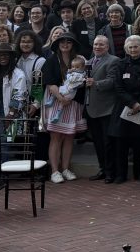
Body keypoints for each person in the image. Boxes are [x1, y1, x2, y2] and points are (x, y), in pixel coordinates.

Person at [43, 32, 87, 183]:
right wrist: (61, 98)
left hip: (73, 102)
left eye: (69, 42)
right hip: (56, 101)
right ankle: (55, 171)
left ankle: (66, 168)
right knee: (56, 137)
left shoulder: (80, 60)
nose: (65, 44)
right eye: (62, 42)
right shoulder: (51, 60)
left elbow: (84, 80)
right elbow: (49, 83)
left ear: (73, 44)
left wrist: (69, 99)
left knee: (69, 136)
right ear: (57, 44)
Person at [116, 36, 140, 183]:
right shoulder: (120, 64)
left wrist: (139, 104)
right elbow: (118, 88)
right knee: (122, 143)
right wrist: (132, 103)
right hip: (125, 107)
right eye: (130, 47)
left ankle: (139, 173)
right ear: (126, 49)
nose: (133, 49)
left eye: (136, 47)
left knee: (139, 142)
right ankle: (121, 174)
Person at [84, 35, 121, 183]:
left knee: (107, 143)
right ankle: (103, 169)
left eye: (101, 45)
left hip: (107, 108)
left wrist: (96, 83)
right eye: (95, 44)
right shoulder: (89, 62)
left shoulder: (113, 61)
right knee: (98, 143)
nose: (97, 47)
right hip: (91, 108)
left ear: (107, 47)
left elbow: (113, 81)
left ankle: (110, 172)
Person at [0, 42, 28, 134]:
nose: (2, 57)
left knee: (7, 140)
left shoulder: (18, 74)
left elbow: (18, 96)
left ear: (11, 57)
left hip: (7, 111)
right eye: (0, 55)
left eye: (6, 55)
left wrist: (10, 114)